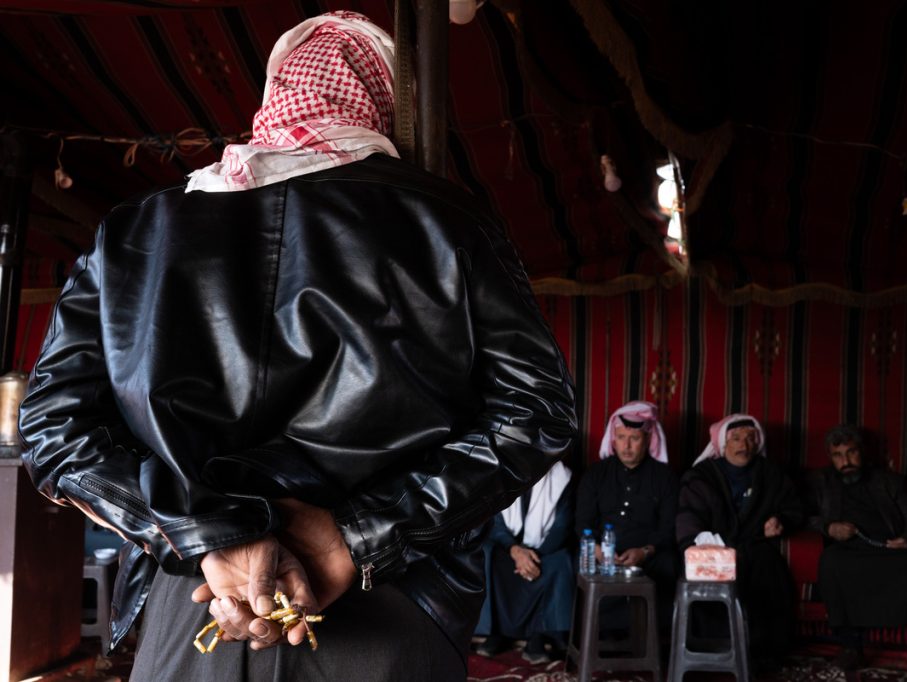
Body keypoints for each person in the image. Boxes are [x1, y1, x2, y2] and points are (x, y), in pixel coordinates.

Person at [18, 11, 577, 682]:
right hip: (392, 610)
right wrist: (359, 538)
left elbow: (52, 427)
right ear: (381, 106)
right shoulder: (450, 221)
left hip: (199, 607)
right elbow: (537, 411)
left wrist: (209, 541)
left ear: (275, 91)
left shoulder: (136, 231)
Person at [806, 425, 907, 680]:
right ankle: (851, 647)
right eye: (838, 455)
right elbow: (805, 517)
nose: (846, 461)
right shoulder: (821, 482)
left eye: (851, 453)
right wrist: (829, 527)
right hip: (849, 553)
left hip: (890, 550)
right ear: (831, 458)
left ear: (862, 452)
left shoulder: (887, 480)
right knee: (830, 562)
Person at [676, 414, 803, 668]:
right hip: (714, 548)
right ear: (723, 444)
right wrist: (701, 543)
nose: (744, 445)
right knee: (706, 573)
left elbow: (795, 508)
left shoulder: (770, 473)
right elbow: (689, 516)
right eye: (736, 439)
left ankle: (764, 654)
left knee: (768, 571)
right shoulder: (701, 476)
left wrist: (781, 521)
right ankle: (712, 648)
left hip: (755, 547)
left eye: (750, 438)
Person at [574, 401, 680, 627]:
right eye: (621, 438)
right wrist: (597, 549)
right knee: (576, 564)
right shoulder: (596, 474)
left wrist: (644, 551)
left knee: (668, 564)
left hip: (648, 555)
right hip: (601, 553)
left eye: (635, 438)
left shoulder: (665, 478)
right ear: (613, 438)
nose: (627, 446)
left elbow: (668, 527)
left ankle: (652, 642)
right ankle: (598, 638)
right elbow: (583, 520)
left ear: (649, 439)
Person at [474, 460, 574, 664]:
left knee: (561, 561)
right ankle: (497, 633)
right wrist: (515, 550)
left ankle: (540, 635)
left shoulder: (563, 477)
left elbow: (562, 526)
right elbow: (493, 519)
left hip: (544, 551)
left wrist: (532, 557)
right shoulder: (500, 470)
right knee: (487, 553)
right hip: (509, 548)